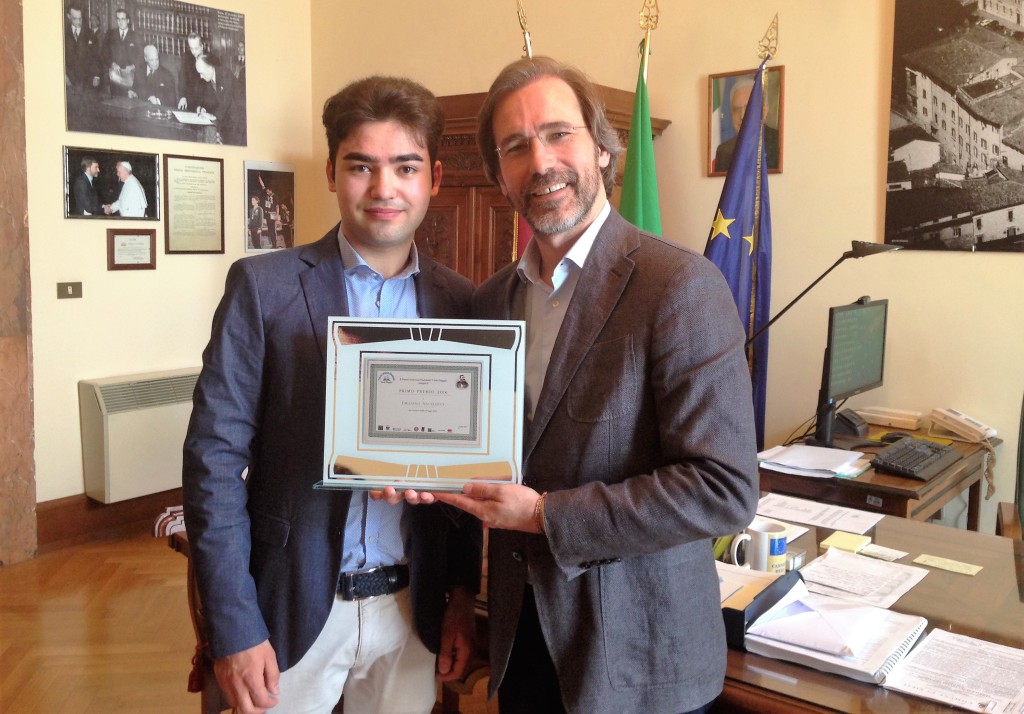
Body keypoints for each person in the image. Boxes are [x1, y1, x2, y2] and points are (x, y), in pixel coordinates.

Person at [416, 56, 759, 714]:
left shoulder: (679, 286)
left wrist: (545, 517)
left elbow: (723, 488)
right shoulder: (490, 303)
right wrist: (416, 471)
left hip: (641, 656)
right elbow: (472, 459)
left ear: (601, 147)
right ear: (499, 174)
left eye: (558, 134)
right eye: (516, 147)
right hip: (523, 643)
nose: (540, 162)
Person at [182, 75, 482, 714]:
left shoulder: (462, 303)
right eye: (361, 166)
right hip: (290, 606)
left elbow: (468, 463)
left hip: (412, 610)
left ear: (433, 177)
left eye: (405, 167)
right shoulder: (263, 288)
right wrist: (233, 625)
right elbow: (212, 461)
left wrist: (460, 595)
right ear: (331, 173)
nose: (384, 188)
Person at [713, 76, 780, 173]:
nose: (742, 116)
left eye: (748, 108)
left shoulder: (778, 143)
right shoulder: (723, 151)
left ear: (764, 111)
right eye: (736, 109)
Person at [195, 53, 243, 145]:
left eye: (202, 73)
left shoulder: (225, 74)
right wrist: (203, 108)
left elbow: (226, 100)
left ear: (210, 67)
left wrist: (213, 116)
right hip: (226, 121)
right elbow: (209, 100)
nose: (201, 76)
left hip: (238, 122)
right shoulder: (208, 80)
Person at [102, 8, 141, 97]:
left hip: (130, 76)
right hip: (115, 75)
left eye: (123, 19)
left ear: (128, 20)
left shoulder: (136, 36)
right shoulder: (110, 34)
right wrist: (112, 63)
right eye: (118, 19)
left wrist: (133, 66)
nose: (120, 22)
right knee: (115, 100)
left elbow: (141, 55)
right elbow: (104, 53)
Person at [64, 4, 101, 92]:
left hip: (87, 80)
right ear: (68, 16)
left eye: (80, 18)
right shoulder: (63, 33)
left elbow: (96, 56)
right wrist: (64, 75)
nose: (78, 22)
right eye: (75, 19)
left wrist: (97, 76)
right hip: (69, 80)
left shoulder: (90, 34)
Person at [177, 32, 207, 111]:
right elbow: (182, 78)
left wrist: (203, 106)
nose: (193, 52)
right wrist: (182, 96)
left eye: (196, 48)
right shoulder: (186, 57)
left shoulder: (209, 58)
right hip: (190, 100)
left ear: (202, 46)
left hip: (205, 101)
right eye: (191, 48)